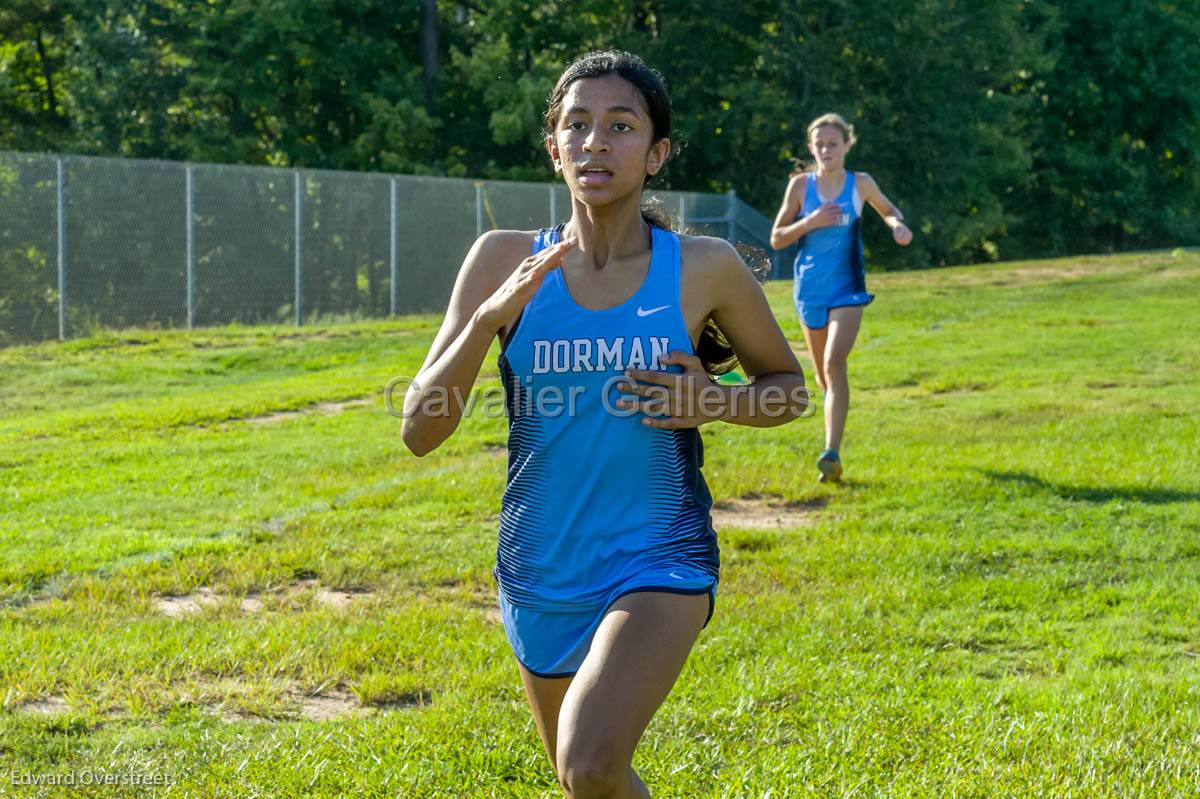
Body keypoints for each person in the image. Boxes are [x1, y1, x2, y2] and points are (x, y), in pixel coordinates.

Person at [402, 51, 808, 799]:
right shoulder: (500, 259)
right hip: (538, 566)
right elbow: (420, 428)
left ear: (655, 154)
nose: (596, 142)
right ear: (554, 148)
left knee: (587, 759)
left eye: (621, 126)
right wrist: (491, 316)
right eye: (578, 125)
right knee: (590, 779)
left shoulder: (704, 267)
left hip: (659, 557)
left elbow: (788, 390)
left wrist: (713, 402)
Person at [770, 113, 912, 483]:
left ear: (847, 145)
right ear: (810, 147)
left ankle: (831, 452)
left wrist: (896, 224)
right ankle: (833, 451)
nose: (825, 150)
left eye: (833, 143)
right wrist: (810, 221)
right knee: (822, 376)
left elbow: (889, 210)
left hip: (848, 288)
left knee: (835, 363)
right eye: (819, 144)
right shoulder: (801, 187)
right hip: (809, 291)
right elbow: (777, 238)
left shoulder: (860, 183)